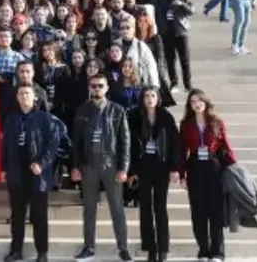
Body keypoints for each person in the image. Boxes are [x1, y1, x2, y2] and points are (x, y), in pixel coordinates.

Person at [0, 84, 70, 262]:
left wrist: (42, 163)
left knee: (39, 217)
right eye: (21, 93)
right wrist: (4, 168)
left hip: (38, 174)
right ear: (17, 97)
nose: (24, 96)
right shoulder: (11, 120)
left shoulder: (45, 119)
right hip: (17, 173)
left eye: (27, 93)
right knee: (17, 216)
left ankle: (42, 252)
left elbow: (53, 146)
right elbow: (5, 146)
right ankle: (16, 250)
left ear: (35, 97)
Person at [70, 72, 132, 262]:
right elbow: (76, 142)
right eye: (93, 86)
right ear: (89, 88)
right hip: (88, 164)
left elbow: (125, 141)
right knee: (89, 208)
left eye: (100, 85)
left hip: (110, 164)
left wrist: (123, 168)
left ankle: (123, 248)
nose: (97, 89)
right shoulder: (82, 110)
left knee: (117, 208)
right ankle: (88, 247)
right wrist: (75, 166)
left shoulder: (117, 110)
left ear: (107, 88)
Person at [179, 89, 236, 262]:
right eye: (193, 101)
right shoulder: (186, 124)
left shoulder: (216, 122)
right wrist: (182, 174)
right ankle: (203, 250)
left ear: (205, 102)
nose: (197, 104)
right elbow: (182, 150)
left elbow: (225, 145)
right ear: (190, 105)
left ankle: (217, 252)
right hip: (195, 167)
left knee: (216, 212)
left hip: (214, 168)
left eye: (200, 101)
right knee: (198, 212)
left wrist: (234, 166)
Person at [128, 87, 180, 262]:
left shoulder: (166, 117)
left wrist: (174, 168)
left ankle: (163, 247)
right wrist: (132, 171)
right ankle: (150, 247)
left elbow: (174, 143)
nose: (149, 99)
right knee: (145, 208)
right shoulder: (134, 117)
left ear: (158, 99)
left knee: (160, 207)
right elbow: (129, 146)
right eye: (146, 96)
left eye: (153, 96)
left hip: (161, 166)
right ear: (142, 99)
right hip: (143, 166)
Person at [152, 0, 194, 92]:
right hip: (166, 34)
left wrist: (182, 4)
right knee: (170, 60)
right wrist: (160, 31)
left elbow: (191, 11)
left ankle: (188, 85)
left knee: (185, 60)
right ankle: (174, 83)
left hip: (181, 32)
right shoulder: (159, 0)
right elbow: (156, 16)